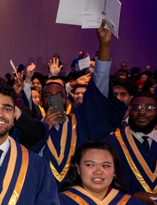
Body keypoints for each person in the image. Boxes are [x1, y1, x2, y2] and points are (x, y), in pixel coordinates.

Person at [39, 22, 127, 182]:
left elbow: (98, 92)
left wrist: (104, 45)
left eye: (60, 94)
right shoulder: (31, 127)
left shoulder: (81, 121)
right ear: (40, 100)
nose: (55, 99)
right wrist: (43, 128)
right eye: (49, 95)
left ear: (67, 97)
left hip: (80, 198)